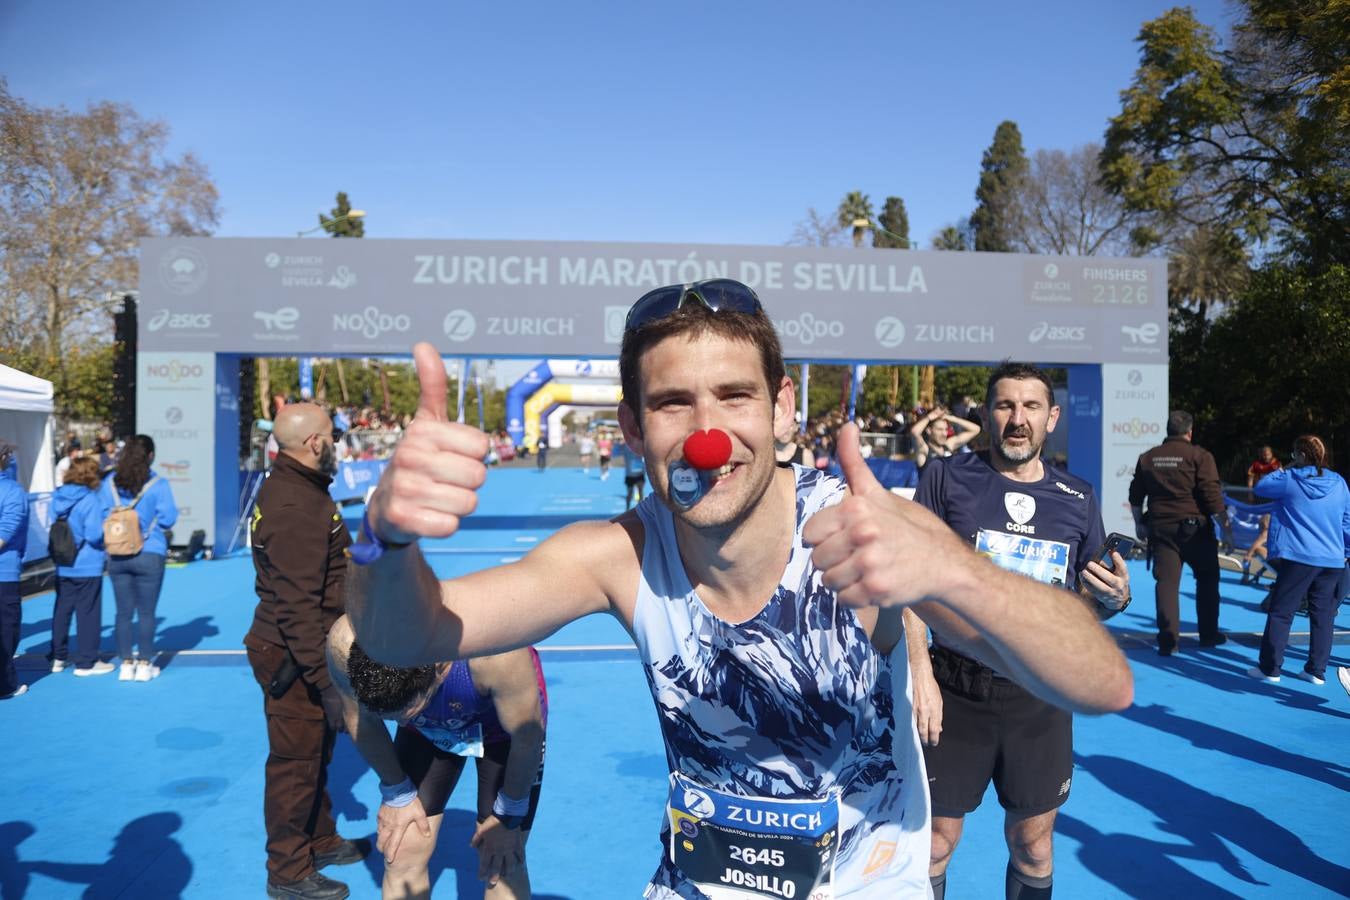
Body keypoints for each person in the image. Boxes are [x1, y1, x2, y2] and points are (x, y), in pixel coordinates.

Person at [344, 279, 1132, 898]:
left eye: (734, 395)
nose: (706, 434)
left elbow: (1104, 683)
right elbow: (405, 639)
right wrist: (385, 536)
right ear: (630, 427)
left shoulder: (860, 531)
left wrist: (956, 573)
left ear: (784, 407)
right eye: (672, 403)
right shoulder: (617, 555)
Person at [905, 362, 1129, 900]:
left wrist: (1115, 601)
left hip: (1039, 695)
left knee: (1033, 844)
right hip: (953, 691)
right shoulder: (946, 477)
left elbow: (1083, 606)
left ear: (1051, 418)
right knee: (934, 842)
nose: (1017, 419)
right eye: (1005, 405)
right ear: (986, 414)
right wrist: (919, 672)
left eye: (1031, 407)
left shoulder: (1078, 497)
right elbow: (908, 580)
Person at [326, 615, 547, 899]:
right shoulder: (346, 645)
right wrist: (397, 793)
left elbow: (527, 739)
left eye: (408, 714)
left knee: (501, 864)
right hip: (426, 731)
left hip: (503, 728)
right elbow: (361, 721)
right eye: (390, 718)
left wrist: (508, 816)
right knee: (402, 849)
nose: (399, 724)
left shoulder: (496, 652)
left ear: (439, 673)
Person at [244, 403, 367, 900]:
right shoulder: (296, 505)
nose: (338, 443)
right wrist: (325, 684)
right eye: (333, 436)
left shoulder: (304, 490)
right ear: (315, 443)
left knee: (318, 752)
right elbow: (296, 610)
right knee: (295, 763)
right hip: (296, 656)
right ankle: (288, 872)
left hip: (309, 647)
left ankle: (318, 838)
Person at [1247, 434, 1350, 685]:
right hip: (1333, 560)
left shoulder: (1289, 479)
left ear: (1302, 455)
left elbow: (1260, 487)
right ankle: (1316, 670)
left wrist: (1287, 468)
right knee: (1324, 615)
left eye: (1294, 454)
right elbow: (1347, 520)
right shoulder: (1339, 483)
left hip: (1300, 556)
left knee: (1282, 611)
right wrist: (1344, 551)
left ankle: (1270, 668)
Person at [1128, 411, 1233, 655]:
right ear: (1190, 431)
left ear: (1168, 430)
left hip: (1161, 529)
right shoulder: (1200, 456)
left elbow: (1135, 498)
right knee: (1207, 581)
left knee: (1166, 584)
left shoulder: (1148, 458)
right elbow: (1212, 497)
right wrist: (1227, 531)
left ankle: (1168, 642)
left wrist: (1138, 525)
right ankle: (1208, 636)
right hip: (1196, 530)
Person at [104, 435, 178, 682]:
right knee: (147, 612)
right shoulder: (158, 484)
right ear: (150, 456)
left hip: (117, 553)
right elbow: (168, 519)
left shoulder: (111, 483)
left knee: (123, 612)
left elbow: (101, 515)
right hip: (150, 551)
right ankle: (145, 664)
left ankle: (126, 663)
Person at [48, 457, 115, 677]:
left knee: (62, 610)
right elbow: (94, 534)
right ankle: (87, 661)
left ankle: (58, 656)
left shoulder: (57, 496)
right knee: (88, 611)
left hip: (63, 561)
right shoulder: (90, 499)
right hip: (87, 563)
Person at [0, 440, 29, 699]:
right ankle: (5, 684)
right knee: (6, 629)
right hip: (4, 573)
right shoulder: (12, 491)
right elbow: (5, 532)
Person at [910, 405, 981, 469]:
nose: (944, 433)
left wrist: (951, 418)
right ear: (929, 431)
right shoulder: (924, 449)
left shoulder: (948, 445)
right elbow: (915, 432)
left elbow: (976, 430)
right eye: (940, 430)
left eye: (946, 429)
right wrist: (929, 417)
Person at [1241, 514, 1272, 586]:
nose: (1259, 527)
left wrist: (1245, 576)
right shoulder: (1276, 534)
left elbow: (1247, 556)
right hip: (1288, 568)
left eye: (1260, 524)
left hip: (1284, 569)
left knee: (1254, 550)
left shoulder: (1266, 532)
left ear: (1264, 524)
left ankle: (1245, 578)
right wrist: (1259, 573)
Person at [623, 442, 648, 510]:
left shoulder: (641, 447)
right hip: (630, 475)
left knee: (641, 492)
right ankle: (627, 509)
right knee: (630, 494)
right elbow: (615, 452)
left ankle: (640, 509)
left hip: (640, 474)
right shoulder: (625, 448)